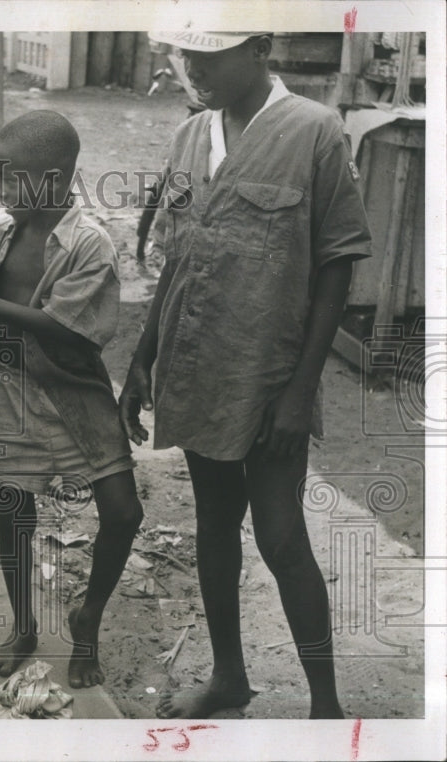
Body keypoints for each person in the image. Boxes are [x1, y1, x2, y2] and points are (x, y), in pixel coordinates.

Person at [120, 32, 371, 719]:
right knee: (213, 522)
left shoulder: (316, 133)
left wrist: (298, 392)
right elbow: (176, 255)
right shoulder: (191, 135)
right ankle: (230, 677)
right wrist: (144, 357)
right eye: (186, 56)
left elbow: (336, 267)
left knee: (282, 534)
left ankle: (326, 707)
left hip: (267, 374)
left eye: (210, 55)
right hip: (196, 361)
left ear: (260, 48)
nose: (193, 70)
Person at [0, 110, 144, 689]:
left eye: (6, 176)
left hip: (74, 386)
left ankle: (87, 617)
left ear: (50, 181)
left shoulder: (88, 244)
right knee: (13, 511)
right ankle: (23, 626)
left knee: (124, 510)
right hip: (12, 389)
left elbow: (70, 330)